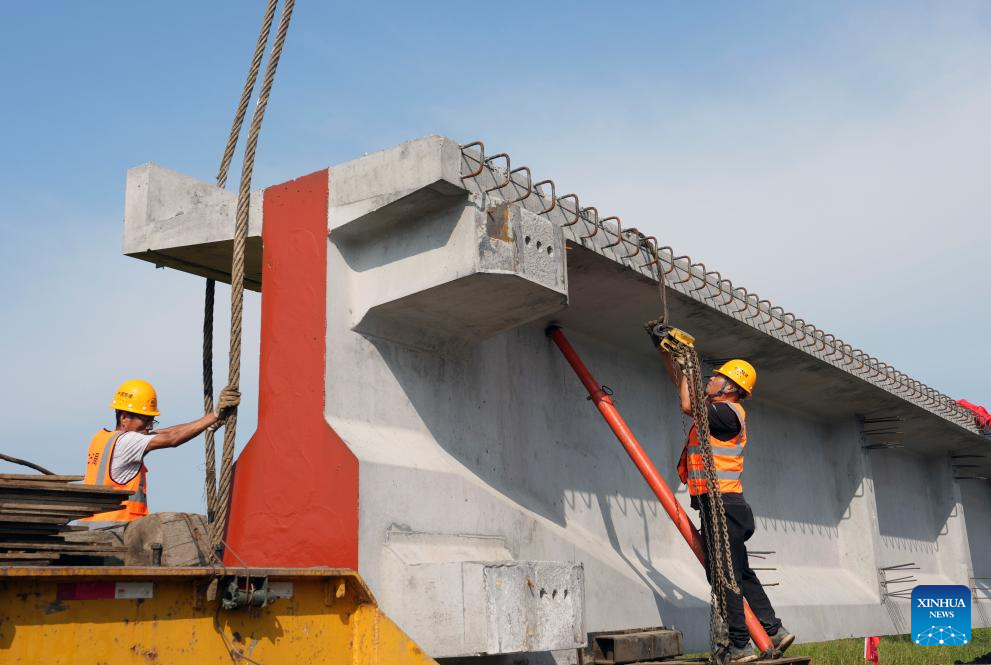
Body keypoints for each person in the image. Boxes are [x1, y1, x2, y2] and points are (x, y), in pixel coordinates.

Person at [659, 352, 795, 663]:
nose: (710, 379)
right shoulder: (718, 412)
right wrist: (668, 355)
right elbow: (683, 387)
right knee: (740, 573)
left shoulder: (728, 413)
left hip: (723, 507)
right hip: (725, 506)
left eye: (717, 377)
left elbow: (687, 405)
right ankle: (774, 629)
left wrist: (688, 367)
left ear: (730, 388)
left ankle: (740, 645)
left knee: (726, 576)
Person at [81, 379, 239, 526]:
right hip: (114, 529)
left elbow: (165, 432)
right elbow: (172, 438)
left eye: (152, 420)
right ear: (124, 418)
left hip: (93, 526)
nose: (150, 426)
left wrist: (208, 422)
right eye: (145, 420)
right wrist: (215, 415)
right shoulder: (128, 442)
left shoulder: (103, 439)